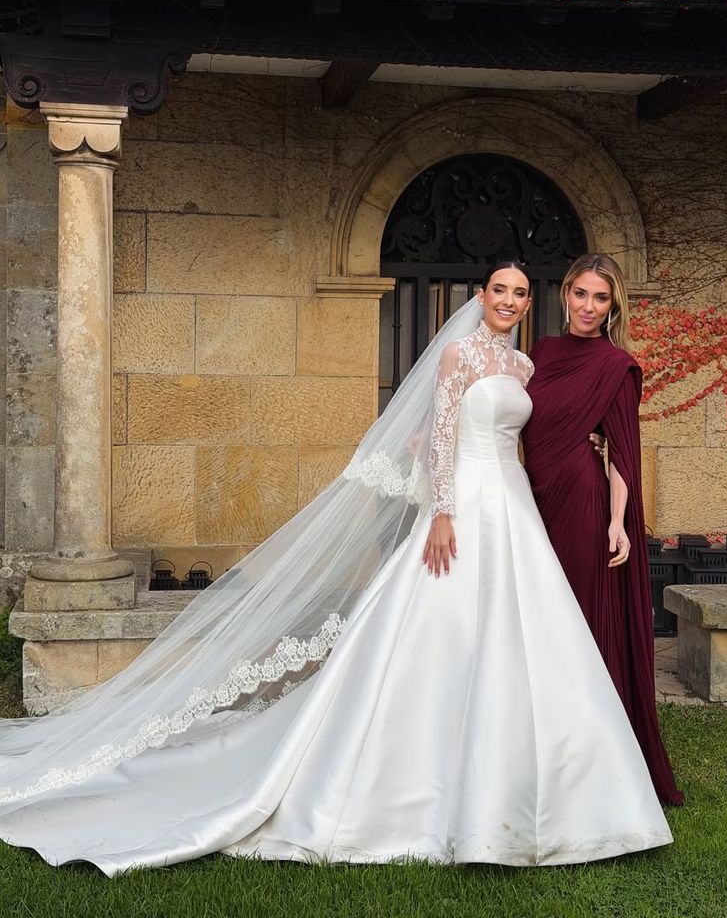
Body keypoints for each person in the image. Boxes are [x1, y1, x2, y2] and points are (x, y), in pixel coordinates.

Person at [0, 263, 672, 874]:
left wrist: (595, 468)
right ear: (482, 297)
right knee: (438, 628)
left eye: (519, 293)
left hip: (514, 504)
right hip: (463, 503)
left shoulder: (526, 366)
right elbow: (442, 433)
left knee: (527, 637)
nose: (509, 301)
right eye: (500, 290)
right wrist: (441, 511)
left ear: (531, 304)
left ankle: (548, 783)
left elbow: (536, 433)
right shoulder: (460, 355)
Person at [522, 253, 683, 806]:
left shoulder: (617, 366)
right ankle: (541, 744)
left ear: (613, 306)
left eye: (601, 298)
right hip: (531, 500)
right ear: (566, 293)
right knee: (539, 621)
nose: (589, 307)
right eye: (582, 294)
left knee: (582, 623)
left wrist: (617, 523)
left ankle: (593, 757)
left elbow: (622, 455)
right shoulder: (541, 352)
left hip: (584, 504)